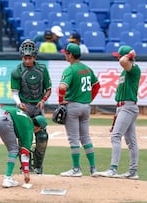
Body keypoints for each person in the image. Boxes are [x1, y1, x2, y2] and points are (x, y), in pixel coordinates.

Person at [94, 45, 141, 179]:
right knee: (131, 141)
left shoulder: (134, 69)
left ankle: (113, 169)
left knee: (116, 137)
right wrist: (115, 119)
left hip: (128, 107)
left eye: (119, 56)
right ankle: (133, 171)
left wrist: (130, 55)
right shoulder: (125, 72)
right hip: (123, 108)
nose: (118, 59)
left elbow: (123, 61)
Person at [57, 43, 100, 177]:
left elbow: (62, 87)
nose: (65, 55)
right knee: (86, 138)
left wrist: (61, 102)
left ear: (70, 55)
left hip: (73, 107)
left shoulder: (70, 69)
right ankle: (93, 168)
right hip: (85, 107)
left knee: (74, 139)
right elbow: (97, 85)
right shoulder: (87, 68)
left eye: (66, 53)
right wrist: (89, 99)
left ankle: (76, 169)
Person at [10, 39, 52, 174]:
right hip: (24, 106)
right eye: (25, 58)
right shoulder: (17, 71)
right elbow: (14, 92)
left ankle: (39, 166)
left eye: (30, 58)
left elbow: (48, 88)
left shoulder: (42, 69)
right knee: (24, 137)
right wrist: (19, 104)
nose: (27, 61)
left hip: (38, 106)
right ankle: (25, 166)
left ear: (34, 57)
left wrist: (44, 100)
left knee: (42, 136)